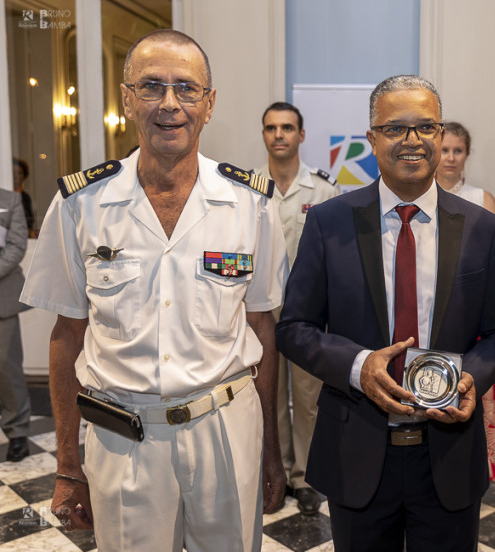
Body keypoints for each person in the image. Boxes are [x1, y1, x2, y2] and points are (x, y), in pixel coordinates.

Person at [19, 29, 287, 551]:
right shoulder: (79, 205)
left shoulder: (252, 204)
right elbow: (67, 335)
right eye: (151, 87)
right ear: (127, 99)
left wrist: (271, 452)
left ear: (209, 105)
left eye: (187, 89)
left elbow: (262, 327)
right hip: (123, 438)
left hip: (226, 431)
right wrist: (68, 466)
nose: (170, 104)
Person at [276, 75, 495, 552]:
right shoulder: (329, 223)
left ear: (440, 135)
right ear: (371, 139)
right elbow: (293, 329)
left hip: (449, 453)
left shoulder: (482, 228)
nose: (412, 141)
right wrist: (357, 366)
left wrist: (467, 377)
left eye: (426, 127)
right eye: (395, 129)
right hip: (358, 452)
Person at [254, 101, 340, 514]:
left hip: (307, 316)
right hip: (261, 314)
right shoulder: (248, 190)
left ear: (302, 135)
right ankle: (277, 472)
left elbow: (338, 259)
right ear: (264, 135)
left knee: (307, 398)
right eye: (271, 128)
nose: (279, 135)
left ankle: (305, 477)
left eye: (287, 127)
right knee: (267, 394)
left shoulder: (324, 191)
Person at [435, 121, 495, 482]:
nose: (451, 157)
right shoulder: (418, 197)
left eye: (458, 150)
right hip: (431, 312)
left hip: (470, 313)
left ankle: (476, 472)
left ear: (466, 154)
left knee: (474, 398)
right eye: (446, 149)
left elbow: (494, 266)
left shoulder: (482, 200)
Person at [0, 188, 30, 462]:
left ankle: (17, 433)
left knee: (7, 370)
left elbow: (18, 245)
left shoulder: (10, 201)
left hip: (3, 299)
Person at [12, 158, 36, 237]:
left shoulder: (26, 197)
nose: (16, 176)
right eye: (13, 173)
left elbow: (30, 221)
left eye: (19, 173)